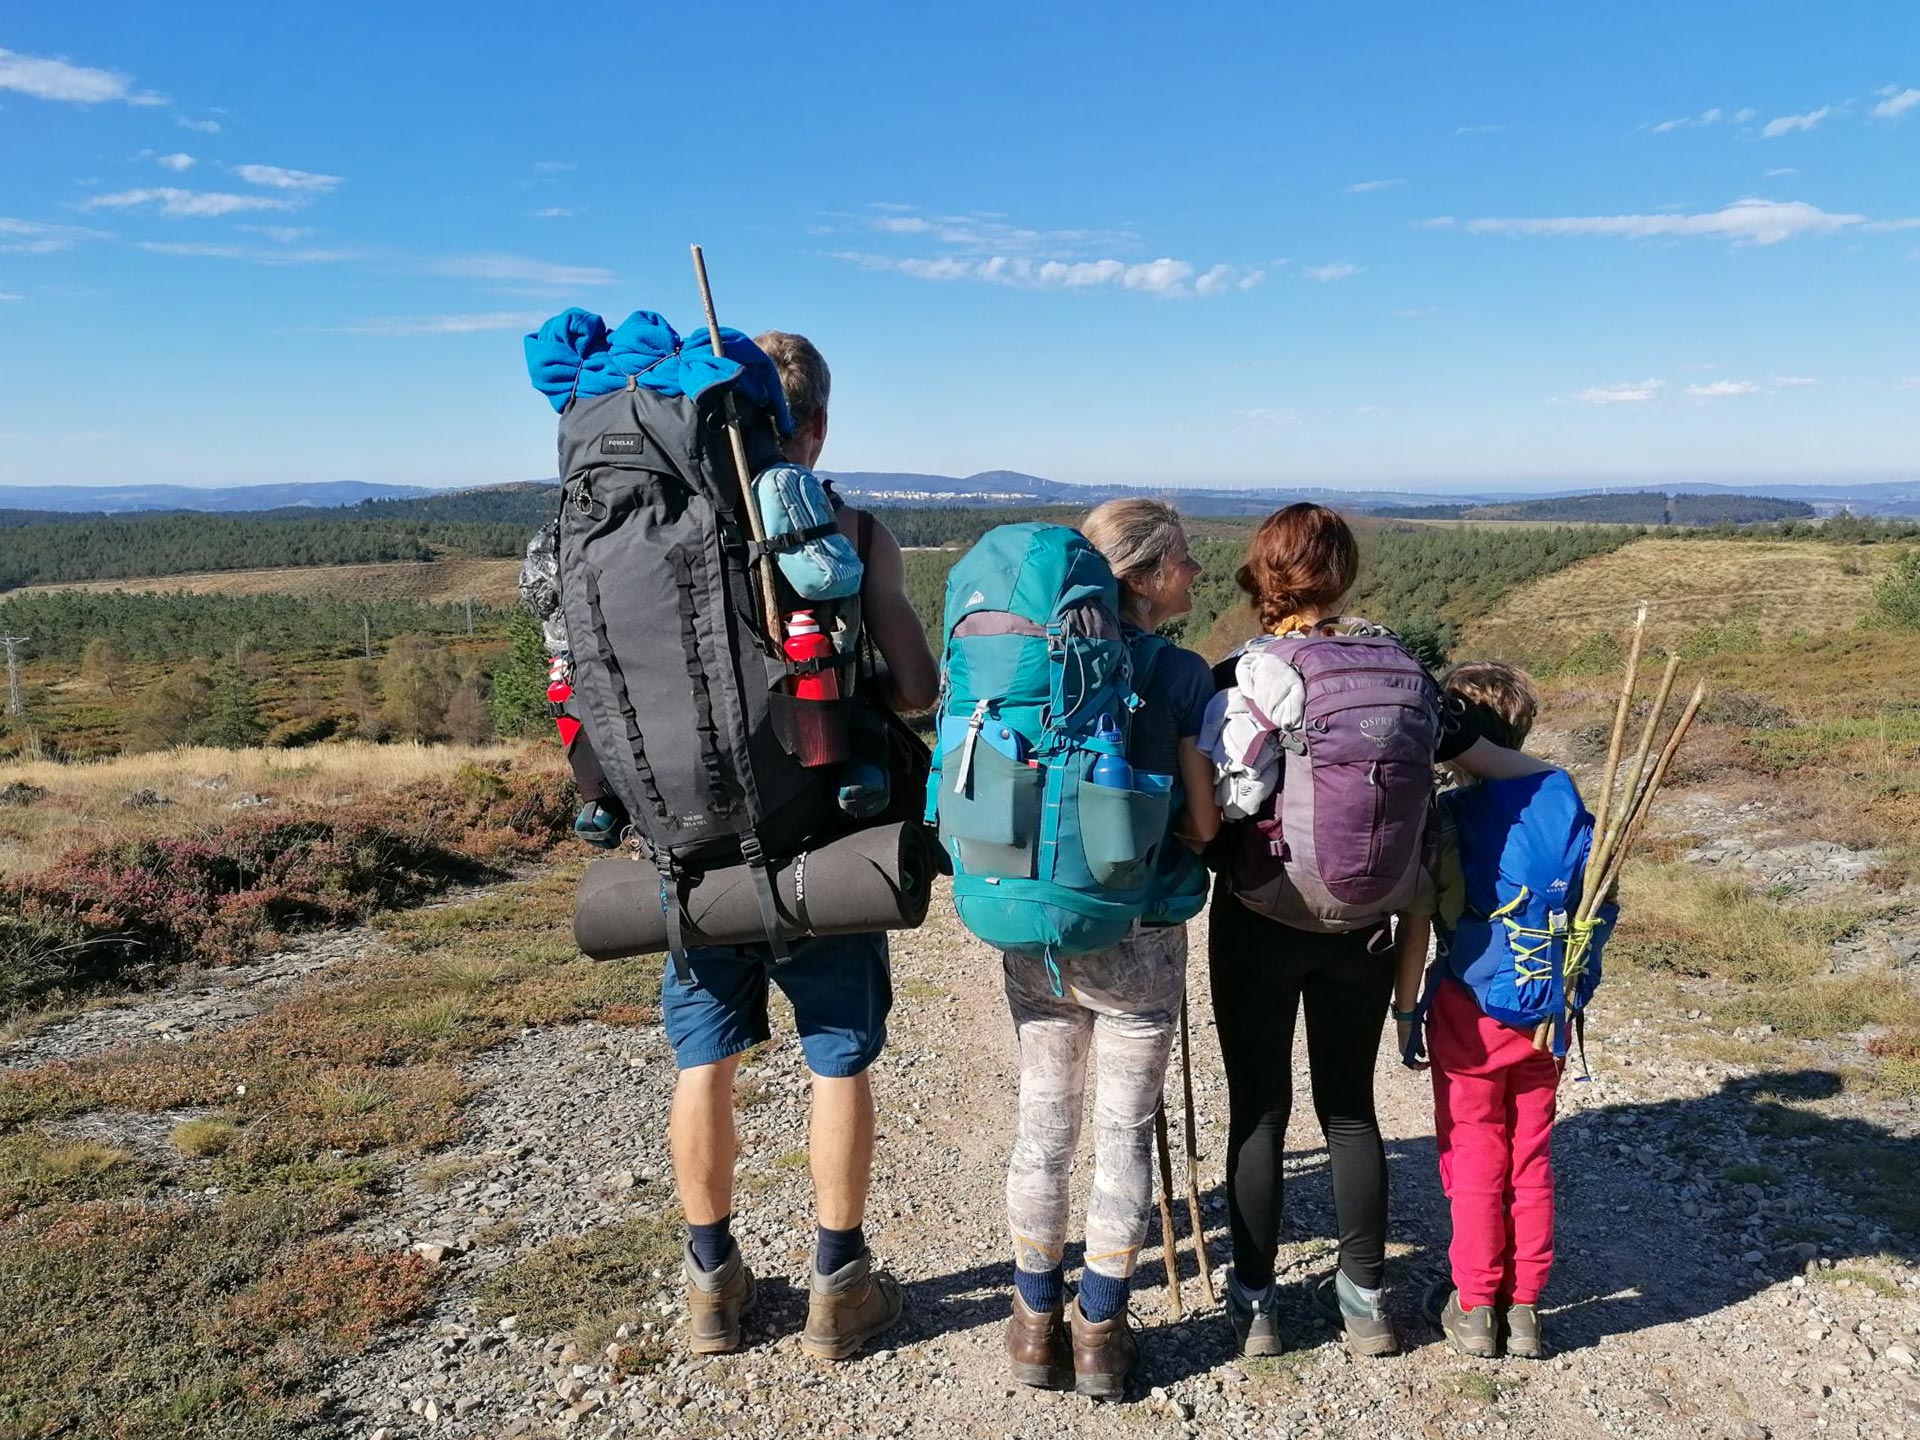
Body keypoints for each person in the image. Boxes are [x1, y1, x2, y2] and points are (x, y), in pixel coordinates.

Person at [669, 331, 938, 1360]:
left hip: (691, 853)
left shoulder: (660, 546)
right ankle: (839, 1285)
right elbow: (915, 689)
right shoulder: (855, 534)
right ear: (813, 426)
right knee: (837, 1061)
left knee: (703, 1059)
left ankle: (710, 1288)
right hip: (824, 846)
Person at [1001, 499, 1219, 1399]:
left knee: (1043, 1124)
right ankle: (1098, 1331)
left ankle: (1030, 1326)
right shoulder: (1181, 675)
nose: (1196, 576)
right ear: (1141, 575)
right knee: (1125, 1131)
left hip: (1041, 926)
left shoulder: (1031, 661)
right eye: (1182, 562)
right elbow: (1204, 822)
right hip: (1141, 939)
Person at [1205, 502, 1413, 1359]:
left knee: (1259, 1111)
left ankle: (1256, 1304)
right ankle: (1365, 1302)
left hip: (1264, 915)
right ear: (1345, 575)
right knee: (1351, 1111)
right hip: (1368, 921)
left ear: (1265, 575)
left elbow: (1232, 797)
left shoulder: (1252, 672)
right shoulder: (1400, 665)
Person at [1393, 662, 1580, 1362]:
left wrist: (1406, 1012)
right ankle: (1525, 1308)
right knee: (1529, 1158)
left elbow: (1416, 925)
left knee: (1473, 1155)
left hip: (1469, 1011)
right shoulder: (1562, 801)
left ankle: (1475, 1305)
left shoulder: (1447, 817)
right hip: (1545, 1012)